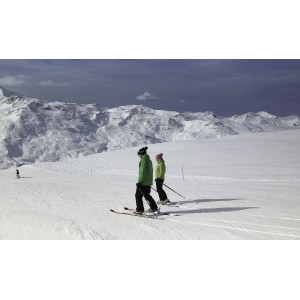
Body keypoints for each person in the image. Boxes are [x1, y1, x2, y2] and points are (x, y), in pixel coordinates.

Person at [134, 146, 159, 215]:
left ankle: (139, 210)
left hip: (143, 182)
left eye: (138, 154)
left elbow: (143, 172)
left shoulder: (143, 160)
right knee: (147, 195)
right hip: (148, 182)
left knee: (138, 196)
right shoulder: (148, 160)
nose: (138, 155)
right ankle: (154, 207)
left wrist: (140, 181)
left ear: (141, 153)